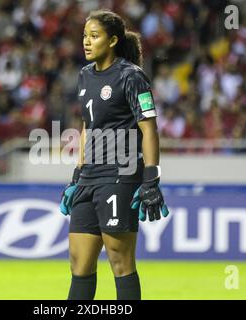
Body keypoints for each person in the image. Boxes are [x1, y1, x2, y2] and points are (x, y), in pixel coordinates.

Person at [59, 10, 169, 300]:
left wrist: (151, 178)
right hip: (88, 179)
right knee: (79, 263)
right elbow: (87, 127)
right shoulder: (84, 76)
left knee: (120, 261)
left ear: (113, 41)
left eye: (94, 36)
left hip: (120, 176)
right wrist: (76, 175)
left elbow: (149, 129)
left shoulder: (131, 77)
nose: (86, 42)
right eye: (85, 36)